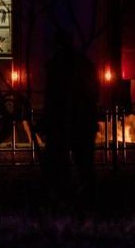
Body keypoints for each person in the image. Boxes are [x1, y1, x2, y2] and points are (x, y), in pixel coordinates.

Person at [40, 29, 99, 197]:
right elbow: (93, 93)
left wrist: (47, 120)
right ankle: (89, 196)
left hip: (62, 122)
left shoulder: (56, 65)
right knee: (84, 164)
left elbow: (52, 97)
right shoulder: (84, 64)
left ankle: (62, 195)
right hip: (83, 121)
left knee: (58, 162)